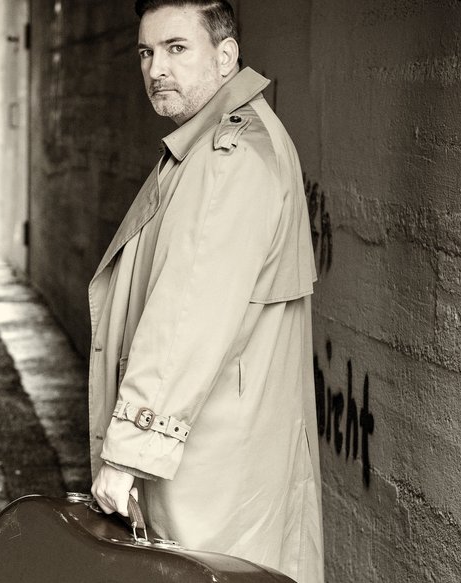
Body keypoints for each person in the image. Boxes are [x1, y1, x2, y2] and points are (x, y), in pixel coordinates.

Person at [87, 1, 324, 581]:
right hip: (227, 452)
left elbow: (185, 317)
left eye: (176, 48)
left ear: (225, 56)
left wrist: (127, 454)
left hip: (207, 468)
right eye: (146, 52)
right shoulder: (219, 142)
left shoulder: (226, 159)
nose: (156, 69)